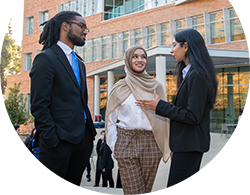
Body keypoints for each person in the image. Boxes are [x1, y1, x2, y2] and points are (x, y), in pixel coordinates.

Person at [136, 29, 218, 195]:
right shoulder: (191, 74)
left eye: (174, 45)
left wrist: (159, 106)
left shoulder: (197, 75)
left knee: (177, 190)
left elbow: (192, 115)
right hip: (187, 145)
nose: (171, 50)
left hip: (190, 146)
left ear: (185, 46)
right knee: (188, 190)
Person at [30, 11, 97, 195]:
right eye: (81, 26)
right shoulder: (46, 58)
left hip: (81, 140)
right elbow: (38, 105)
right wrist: (52, 140)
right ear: (65, 26)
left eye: (86, 28)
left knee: (71, 191)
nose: (85, 31)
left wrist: (88, 136)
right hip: (57, 142)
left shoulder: (80, 63)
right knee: (48, 191)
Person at [106, 45, 170, 195]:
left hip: (151, 144)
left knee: (145, 192)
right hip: (126, 141)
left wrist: (165, 144)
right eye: (135, 56)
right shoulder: (119, 87)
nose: (140, 60)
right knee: (134, 192)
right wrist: (115, 146)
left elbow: (163, 118)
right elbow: (110, 119)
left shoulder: (156, 86)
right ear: (128, 60)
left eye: (143, 56)